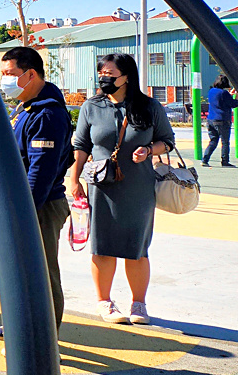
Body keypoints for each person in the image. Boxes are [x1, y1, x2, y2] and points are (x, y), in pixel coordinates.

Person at [71, 53, 175, 324]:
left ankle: (138, 305)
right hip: (101, 186)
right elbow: (81, 146)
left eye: (110, 74)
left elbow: (168, 141)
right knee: (102, 246)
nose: (104, 78)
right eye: (101, 74)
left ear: (127, 76)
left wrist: (150, 149)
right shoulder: (91, 107)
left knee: (137, 246)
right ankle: (104, 302)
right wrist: (74, 180)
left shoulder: (150, 107)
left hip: (139, 187)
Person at [0, 46, 74, 342]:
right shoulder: (28, 107)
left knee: (41, 277)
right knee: (21, 273)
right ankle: (19, 330)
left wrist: (24, 214)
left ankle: (42, 343)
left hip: (40, 206)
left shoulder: (47, 114)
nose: (4, 80)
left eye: (9, 74)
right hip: (24, 204)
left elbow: (40, 173)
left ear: (30, 74)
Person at [203, 75, 236, 167]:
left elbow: (220, 99)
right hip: (222, 120)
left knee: (213, 140)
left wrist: (229, 95)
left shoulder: (211, 91)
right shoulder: (224, 93)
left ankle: (205, 160)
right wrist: (236, 97)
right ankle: (225, 161)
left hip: (210, 119)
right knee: (225, 142)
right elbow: (233, 104)